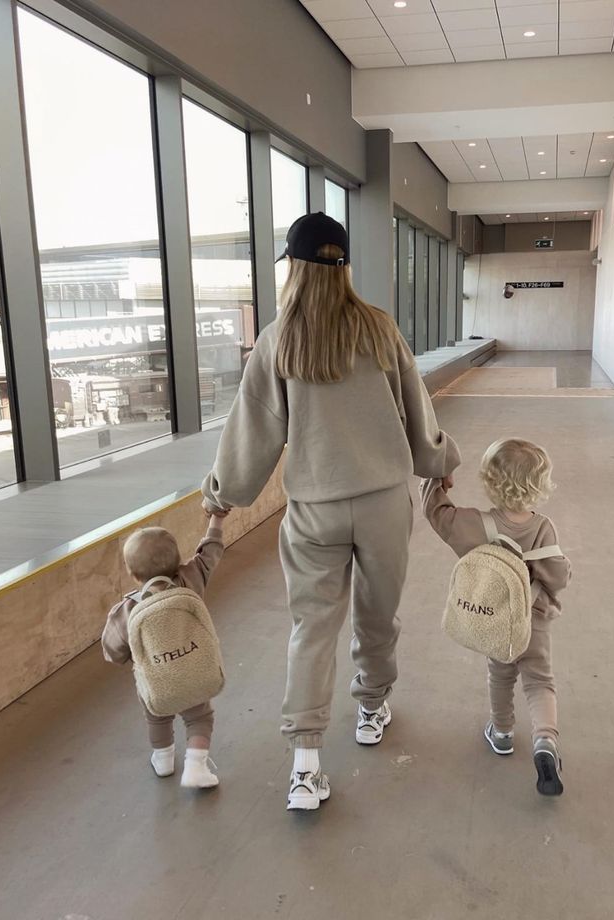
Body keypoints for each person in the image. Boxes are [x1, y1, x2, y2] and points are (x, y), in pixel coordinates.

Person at [202, 212, 460, 811]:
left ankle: (306, 764)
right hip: (383, 503)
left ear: (292, 266)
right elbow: (416, 410)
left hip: (313, 511)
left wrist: (222, 494)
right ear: (345, 265)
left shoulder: (279, 340)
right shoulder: (378, 329)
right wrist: (438, 460)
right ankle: (371, 707)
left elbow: (252, 436)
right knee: (378, 612)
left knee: (311, 628)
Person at [420, 438, 571, 796]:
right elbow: (559, 577)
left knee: (500, 673)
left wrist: (434, 479)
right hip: (533, 619)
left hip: (496, 620)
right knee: (539, 680)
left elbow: (437, 515)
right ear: (541, 485)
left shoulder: (474, 524)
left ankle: (502, 732)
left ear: (490, 481)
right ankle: (545, 741)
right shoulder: (543, 528)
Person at [101, 512, 227, 789]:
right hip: (195, 673)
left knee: (156, 715)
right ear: (178, 562)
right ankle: (196, 765)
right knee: (200, 716)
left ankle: (164, 758)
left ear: (132, 573)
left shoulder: (126, 609)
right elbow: (211, 554)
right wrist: (216, 520)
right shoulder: (190, 580)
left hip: (158, 683)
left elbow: (112, 651)